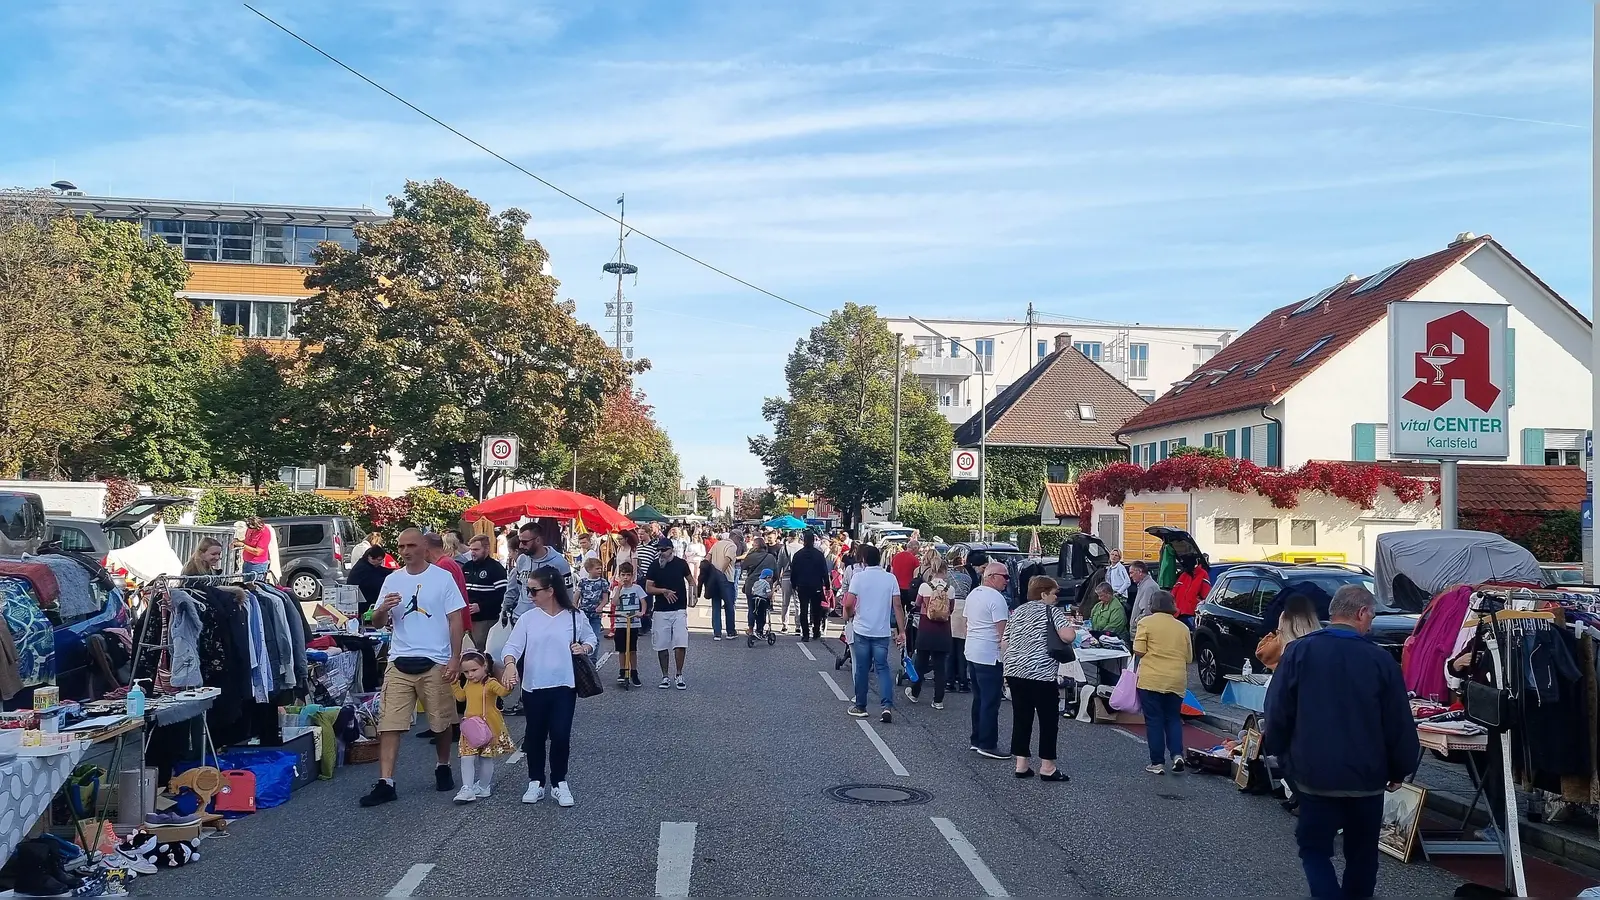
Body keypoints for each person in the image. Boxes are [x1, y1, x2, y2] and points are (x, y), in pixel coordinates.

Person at [1265, 585, 1418, 899]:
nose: (1371, 623)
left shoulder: (1299, 652)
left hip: (1314, 775)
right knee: (1363, 856)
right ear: (1361, 613)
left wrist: (1284, 758)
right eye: (1372, 615)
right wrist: (1400, 769)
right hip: (1367, 778)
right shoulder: (1380, 659)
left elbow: (1277, 711)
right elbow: (1399, 722)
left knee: (1314, 849)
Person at [361, 528, 466, 807]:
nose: (406, 551)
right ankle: (386, 782)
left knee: (440, 720)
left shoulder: (442, 578)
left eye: (411, 545)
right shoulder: (392, 579)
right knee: (389, 724)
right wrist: (382, 608)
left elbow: (456, 619)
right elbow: (378, 622)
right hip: (399, 659)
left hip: (435, 659)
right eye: (401, 546)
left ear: (424, 548)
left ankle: (443, 765)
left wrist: (455, 657)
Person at [500, 567, 596, 808]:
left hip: (565, 685)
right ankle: (536, 781)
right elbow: (511, 647)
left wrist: (584, 648)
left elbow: (591, 638)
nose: (529, 595)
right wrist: (510, 665)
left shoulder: (574, 616)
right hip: (534, 687)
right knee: (535, 736)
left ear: (550, 591)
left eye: (534, 590)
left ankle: (559, 782)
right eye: (527, 590)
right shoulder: (527, 619)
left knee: (561, 735)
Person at [1004, 576, 1077, 781]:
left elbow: (1005, 641)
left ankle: (1021, 764)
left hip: (1015, 669)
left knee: (1021, 717)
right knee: (1047, 719)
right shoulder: (1052, 612)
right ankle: (1047, 766)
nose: (1056, 598)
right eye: (1054, 593)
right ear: (1044, 594)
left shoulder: (1017, 612)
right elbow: (1067, 636)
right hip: (1041, 672)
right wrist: (1070, 627)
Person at [841, 544, 906, 724]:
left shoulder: (858, 578)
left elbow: (848, 603)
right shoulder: (890, 578)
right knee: (883, 668)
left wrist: (851, 613)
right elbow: (898, 606)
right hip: (881, 631)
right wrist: (902, 631)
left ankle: (861, 706)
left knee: (862, 668)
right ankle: (886, 706)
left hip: (862, 629)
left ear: (863, 560)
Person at [1132, 590, 1193, 775]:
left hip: (1152, 679)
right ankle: (1177, 754)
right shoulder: (1182, 627)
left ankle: (1157, 762)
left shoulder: (1146, 623)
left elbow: (1139, 650)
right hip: (1176, 680)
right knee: (1173, 718)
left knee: (1154, 720)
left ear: (1153, 605)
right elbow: (1189, 657)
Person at [451, 649, 513, 803]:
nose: (470, 674)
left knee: (485, 758)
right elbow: (461, 697)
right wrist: (454, 683)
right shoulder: (468, 683)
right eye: (466, 672)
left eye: (474, 670)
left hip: (488, 726)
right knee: (466, 756)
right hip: (471, 726)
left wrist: (509, 684)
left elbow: (503, 692)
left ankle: (484, 786)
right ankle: (468, 788)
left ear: (484, 666)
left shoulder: (490, 683)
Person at [964, 561, 1012, 759]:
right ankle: (988, 743)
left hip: (972, 651)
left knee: (979, 698)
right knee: (990, 701)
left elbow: (967, 623)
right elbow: (1003, 633)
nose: (1007, 581)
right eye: (1005, 577)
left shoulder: (974, 594)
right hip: (989, 654)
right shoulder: (997, 599)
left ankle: (976, 739)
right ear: (992, 577)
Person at [644, 538, 692, 690]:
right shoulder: (654, 566)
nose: (661, 553)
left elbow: (691, 580)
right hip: (660, 609)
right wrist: (663, 591)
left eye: (664, 550)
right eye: (659, 550)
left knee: (680, 642)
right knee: (661, 644)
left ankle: (679, 674)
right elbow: (648, 588)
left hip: (679, 608)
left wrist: (693, 596)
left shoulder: (681, 564)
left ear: (671, 550)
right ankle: (665, 676)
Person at [908, 574, 953, 709]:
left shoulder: (924, 586)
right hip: (943, 631)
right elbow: (951, 608)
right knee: (940, 667)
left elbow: (917, 604)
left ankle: (915, 693)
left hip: (926, 630)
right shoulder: (950, 589)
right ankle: (938, 700)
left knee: (920, 664)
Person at [511, 521, 572, 619]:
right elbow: (515, 589)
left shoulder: (559, 563)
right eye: (520, 542)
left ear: (538, 540)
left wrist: (565, 617)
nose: (520, 546)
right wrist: (506, 610)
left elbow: (567, 594)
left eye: (525, 542)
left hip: (545, 620)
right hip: (519, 617)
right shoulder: (521, 559)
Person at [461, 535, 508, 652]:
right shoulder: (467, 566)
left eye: (476, 550)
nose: (472, 553)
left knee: (482, 649)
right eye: (471, 549)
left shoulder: (496, 568)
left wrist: (481, 606)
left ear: (487, 549)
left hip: (485, 619)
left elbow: (502, 595)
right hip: (467, 617)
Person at [606, 563, 648, 686]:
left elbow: (643, 601)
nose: (625, 578)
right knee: (622, 649)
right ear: (619, 576)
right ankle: (622, 671)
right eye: (623, 575)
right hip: (620, 623)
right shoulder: (616, 589)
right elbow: (614, 602)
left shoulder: (637, 588)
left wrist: (642, 612)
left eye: (628, 575)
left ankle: (634, 672)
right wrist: (618, 588)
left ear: (632, 576)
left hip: (633, 622)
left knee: (632, 649)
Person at [789, 531, 829, 642]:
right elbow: (824, 571)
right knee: (816, 610)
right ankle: (816, 631)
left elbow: (794, 571)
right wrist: (827, 585)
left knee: (803, 609)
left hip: (802, 585)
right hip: (816, 585)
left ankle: (805, 634)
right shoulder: (819, 555)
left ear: (804, 541)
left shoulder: (798, 555)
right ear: (813, 541)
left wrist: (794, 584)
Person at [945, 548, 974, 694]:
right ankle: (963, 682)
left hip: (953, 608)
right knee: (962, 650)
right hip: (964, 609)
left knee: (950, 651)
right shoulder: (968, 578)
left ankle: (949, 681)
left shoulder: (948, 576)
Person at [741, 534, 780, 633]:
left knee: (751, 607)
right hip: (765, 586)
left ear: (756, 546)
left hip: (752, 585)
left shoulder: (751, 556)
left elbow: (743, 567)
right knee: (762, 609)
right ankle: (760, 629)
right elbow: (776, 574)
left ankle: (750, 628)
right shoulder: (770, 557)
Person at [575, 557, 610, 663]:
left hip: (595, 615)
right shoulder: (583, 582)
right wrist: (574, 607)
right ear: (589, 570)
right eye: (597, 568)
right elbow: (576, 597)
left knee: (594, 637)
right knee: (581, 637)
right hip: (583, 613)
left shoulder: (603, 582)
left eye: (600, 568)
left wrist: (601, 606)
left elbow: (605, 598)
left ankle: (592, 661)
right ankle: (582, 659)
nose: (600, 570)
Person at [705, 536, 738, 640]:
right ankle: (730, 632)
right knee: (729, 605)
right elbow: (727, 560)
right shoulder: (732, 546)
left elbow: (708, 557)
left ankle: (717, 633)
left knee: (716, 605)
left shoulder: (716, 544)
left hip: (714, 578)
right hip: (726, 579)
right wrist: (720, 573)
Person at [347, 545, 394, 617]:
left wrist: (393, 572)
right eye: (379, 560)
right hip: (362, 603)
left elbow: (380, 570)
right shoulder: (363, 568)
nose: (380, 562)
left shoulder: (367, 564)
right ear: (370, 557)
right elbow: (376, 582)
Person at [775, 531, 802, 633]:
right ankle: (798, 626)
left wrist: (777, 579)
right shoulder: (802, 548)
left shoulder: (784, 548)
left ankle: (785, 625)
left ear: (790, 537)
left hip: (786, 577)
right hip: (798, 578)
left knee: (785, 603)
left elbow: (779, 564)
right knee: (798, 603)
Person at [1172, 558, 1211, 628]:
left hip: (1191, 614)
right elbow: (1174, 591)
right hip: (1178, 613)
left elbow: (1206, 595)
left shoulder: (1203, 574)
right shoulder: (1184, 574)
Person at [1127, 561, 1158, 639]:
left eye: (1131, 573)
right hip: (1139, 631)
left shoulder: (1148, 587)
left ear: (1140, 572)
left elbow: (1147, 612)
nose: (1130, 576)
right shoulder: (1144, 585)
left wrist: (1135, 622)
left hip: (1141, 633)